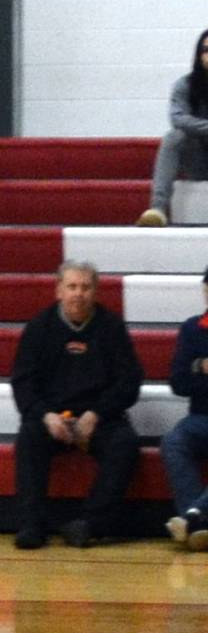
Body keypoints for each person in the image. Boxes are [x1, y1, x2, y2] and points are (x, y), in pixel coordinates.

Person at [11, 260, 143, 549]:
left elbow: (130, 381)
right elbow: (22, 383)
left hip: (99, 417)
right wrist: (46, 416)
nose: (78, 294)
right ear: (58, 290)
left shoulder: (111, 327)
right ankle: (31, 524)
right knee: (29, 437)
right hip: (52, 417)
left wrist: (97, 414)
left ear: (95, 291)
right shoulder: (39, 328)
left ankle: (89, 524)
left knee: (125, 444)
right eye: (71, 286)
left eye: (85, 287)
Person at [136, 29, 208, 226]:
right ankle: (157, 209)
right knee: (174, 137)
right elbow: (178, 119)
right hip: (200, 161)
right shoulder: (185, 85)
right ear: (198, 55)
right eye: (205, 50)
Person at [161, 268, 208, 550]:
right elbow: (178, 382)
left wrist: (200, 374)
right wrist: (201, 366)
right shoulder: (192, 329)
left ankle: (193, 517)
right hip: (201, 418)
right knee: (173, 442)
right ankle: (200, 524)